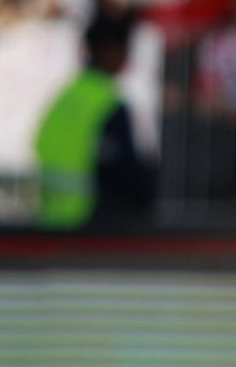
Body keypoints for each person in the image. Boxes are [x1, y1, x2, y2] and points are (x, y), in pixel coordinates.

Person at [34, 12, 155, 231]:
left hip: (54, 220)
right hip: (92, 224)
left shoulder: (67, 96)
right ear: (109, 50)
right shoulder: (108, 106)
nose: (127, 57)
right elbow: (122, 172)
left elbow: (40, 143)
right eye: (125, 49)